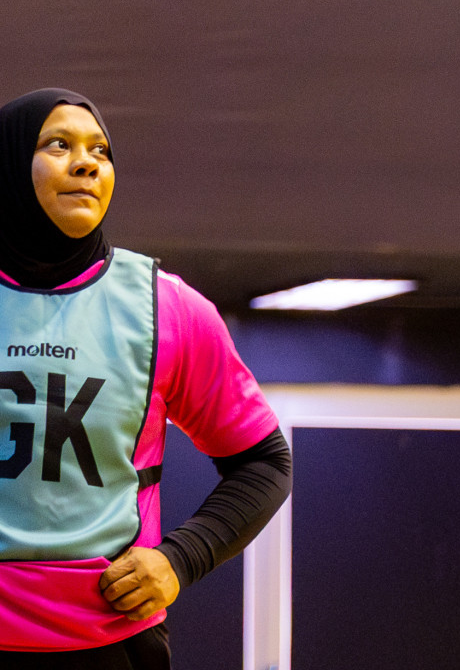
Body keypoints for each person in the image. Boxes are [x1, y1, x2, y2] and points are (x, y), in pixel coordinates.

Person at [0, 88, 292, 668]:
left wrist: (181, 558)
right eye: (58, 144)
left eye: (101, 150)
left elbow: (264, 463)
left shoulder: (169, 307)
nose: (86, 163)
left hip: (112, 642)